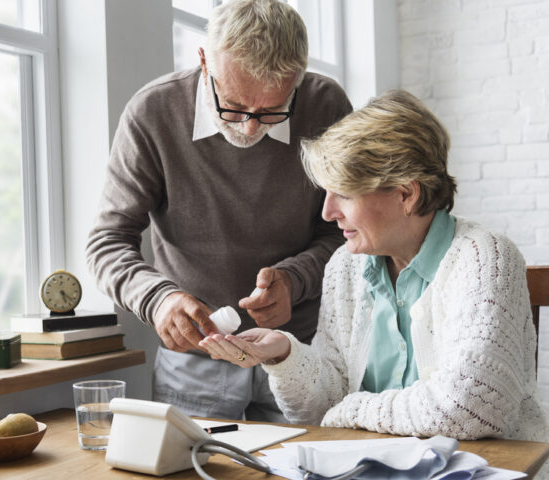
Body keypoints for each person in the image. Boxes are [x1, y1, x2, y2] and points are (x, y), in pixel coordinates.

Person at [200, 89, 549, 442]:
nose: (327, 212)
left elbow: (473, 408)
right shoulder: (345, 266)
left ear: (405, 194)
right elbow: (322, 407)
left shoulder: (484, 257)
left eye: (345, 193)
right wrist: (284, 354)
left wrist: (352, 410)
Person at [86, 0, 352, 422]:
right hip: (193, 361)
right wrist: (159, 300)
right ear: (204, 61)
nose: (249, 127)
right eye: (233, 104)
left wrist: (294, 281)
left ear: (299, 80)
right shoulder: (152, 113)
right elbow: (107, 243)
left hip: (301, 351)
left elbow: (346, 232)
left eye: (270, 111)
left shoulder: (326, 107)